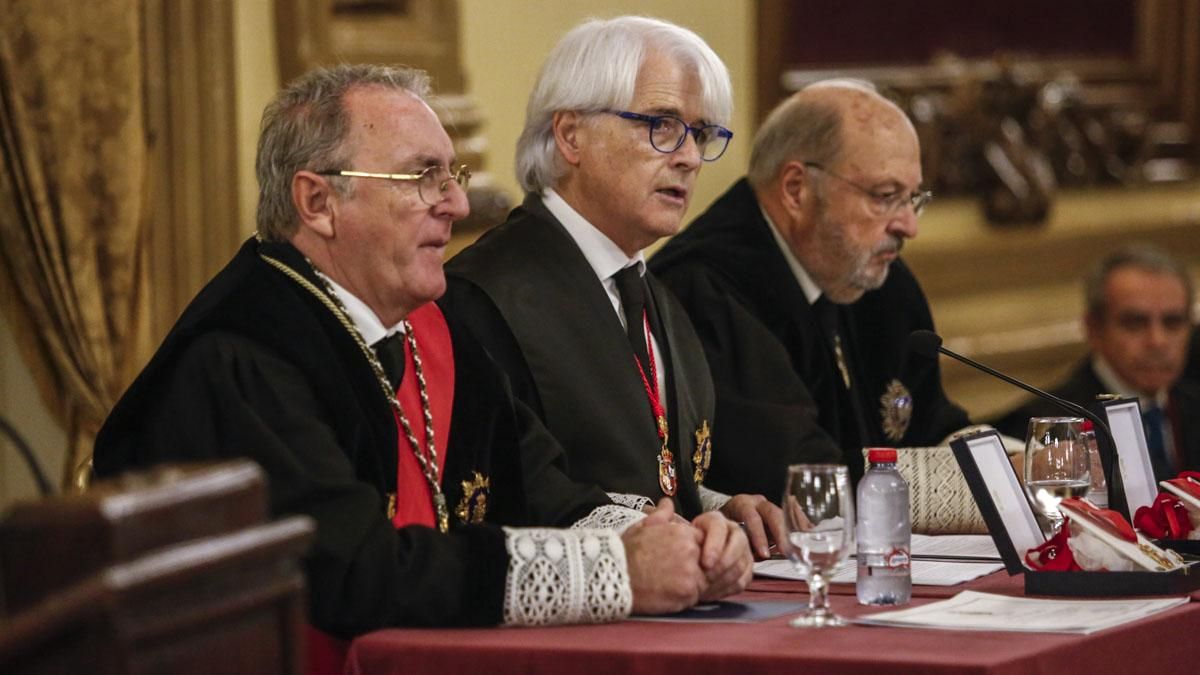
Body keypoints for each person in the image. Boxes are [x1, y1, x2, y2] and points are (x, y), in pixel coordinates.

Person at [93, 64, 748, 662]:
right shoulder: (243, 353)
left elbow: (545, 487)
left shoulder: (437, 327)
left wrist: (669, 539)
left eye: (453, 177)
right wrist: (615, 571)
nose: (458, 205)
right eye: (422, 178)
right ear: (317, 202)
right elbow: (353, 570)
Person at [442, 16, 781, 559]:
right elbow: (521, 494)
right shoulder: (483, 298)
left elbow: (655, 477)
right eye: (662, 125)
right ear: (571, 135)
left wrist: (718, 509)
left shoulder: (651, 289)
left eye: (700, 133)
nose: (690, 156)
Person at [650, 79, 970, 492]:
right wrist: (980, 484)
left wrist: (1020, 461)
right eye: (886, 195)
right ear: (796, 189)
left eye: (913, 198)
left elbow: (933, 426)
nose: (909, 225)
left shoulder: (878, 278)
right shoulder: (706, 289)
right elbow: (804, 479)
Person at [994, 244, 1200, 480]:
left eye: (1173, 322)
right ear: (1094, 329)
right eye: (1135, 323)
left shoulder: (1192, 402)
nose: (1158, 341)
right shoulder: (1044, 426)